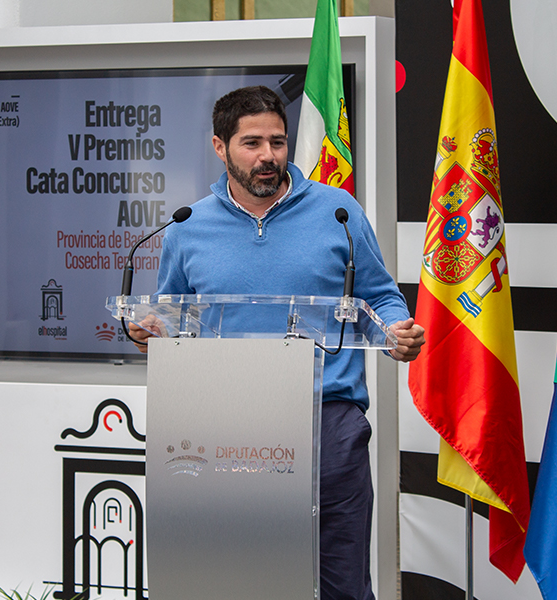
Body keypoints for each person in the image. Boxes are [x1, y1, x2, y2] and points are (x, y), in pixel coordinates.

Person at [129, 85, 424, 600]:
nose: (268, 156)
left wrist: (397, 329)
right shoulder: (187, 227)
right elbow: (171, 320)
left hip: (328, 419)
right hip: (223, 425)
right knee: (237, 578)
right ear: (219, 147)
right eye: (252, 143)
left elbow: (381, 296)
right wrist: (147, 332)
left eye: (278, 142)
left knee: (341, 580)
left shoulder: (339, 212)